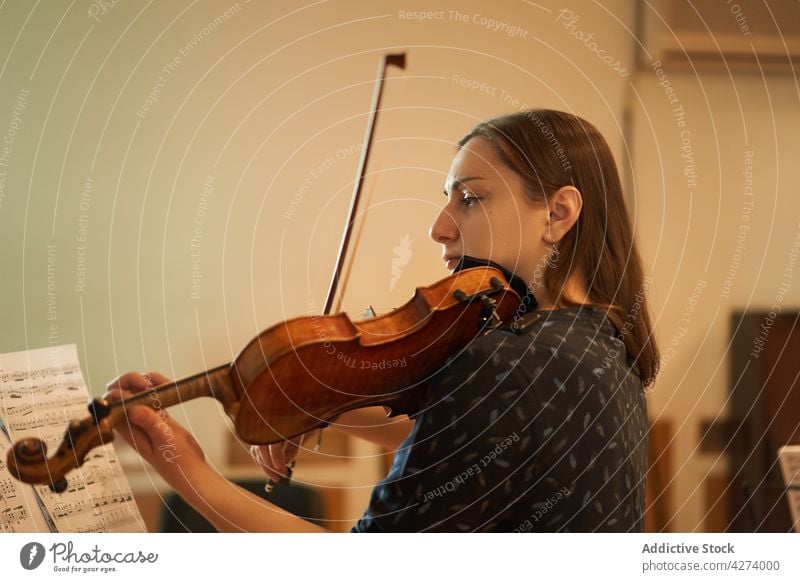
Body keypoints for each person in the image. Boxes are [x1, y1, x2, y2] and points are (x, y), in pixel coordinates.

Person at [107, 109, 659, 532]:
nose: (439, 228)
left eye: (470, 199)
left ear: (558, 214)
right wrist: (316, 398)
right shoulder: (600, 344)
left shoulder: (514, 361)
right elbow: (466, 440)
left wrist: (189, 474)